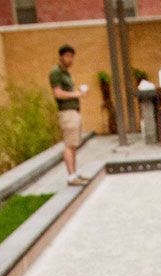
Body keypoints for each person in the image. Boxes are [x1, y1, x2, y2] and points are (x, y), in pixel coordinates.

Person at [49, 44, 89, 186]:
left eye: (72, 56)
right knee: (69, 143)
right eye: (68, 56)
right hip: (66, 112)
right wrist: (76, 93)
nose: (70, 59)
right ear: (61, 56)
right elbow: (58, 93)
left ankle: (74, 172)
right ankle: (71, 176)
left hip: (73, 110)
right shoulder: (56, 72)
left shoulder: (66, 73)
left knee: (73, 144)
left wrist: (78, 93)